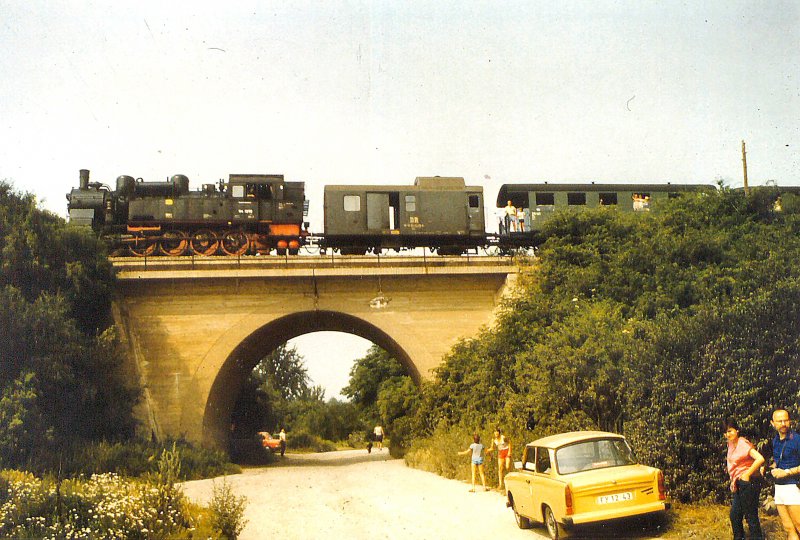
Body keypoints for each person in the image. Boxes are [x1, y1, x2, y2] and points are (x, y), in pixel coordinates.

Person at [724, 417, 764, 540]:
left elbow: (760, 459)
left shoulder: (742, 443)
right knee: (735, 515)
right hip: (739, 483)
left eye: (730, 430)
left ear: (737, 430)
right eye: (725, 432)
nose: (728, 434)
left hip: (749, 482)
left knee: (750, 515)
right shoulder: (731, 444)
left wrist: (747, 474)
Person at [769, 409, 800, 539]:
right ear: (772, 423)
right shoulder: (775, 441)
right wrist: (770, 468)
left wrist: (786, 472)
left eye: (785, 420)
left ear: (790, 421)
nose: (783, 423)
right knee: (788, 527)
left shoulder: (797, 439)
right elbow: (779, 461)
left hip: (793, 486)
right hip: (779, 487)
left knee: (799, 525)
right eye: (779, 421)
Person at [486, 428, 512, 492]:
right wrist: (487, 450)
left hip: (506, 451)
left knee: (507, 467)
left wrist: (509, 452)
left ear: (499, 432)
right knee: (500, 468)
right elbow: (492, 448)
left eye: (497, 432)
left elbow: (509, 443)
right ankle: (501, 485)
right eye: (495, 432)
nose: (496, 433)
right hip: (500, 453)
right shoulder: (494, 440)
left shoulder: (503, 438)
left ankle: (510, 482)